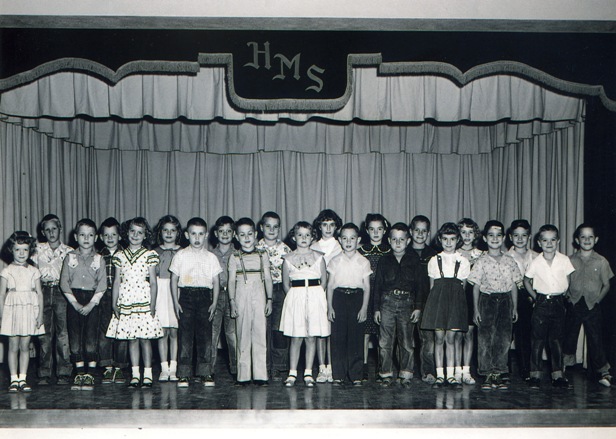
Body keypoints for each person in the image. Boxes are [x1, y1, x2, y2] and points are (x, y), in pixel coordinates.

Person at [106, 217, 163, 388]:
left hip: (143, 300)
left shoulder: (149, 255)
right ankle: (135, 374)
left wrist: (152, 304)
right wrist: (114, 304)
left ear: (146, 235)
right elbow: (117, 281)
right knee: (131, 339)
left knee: (145, 339)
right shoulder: (119, 256)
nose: (135, 235)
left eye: (140, 232)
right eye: (132, 231)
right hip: (127, 301)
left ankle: (147, 374)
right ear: (126, 233)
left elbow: (153, 282)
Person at [468, 220, 522, 390]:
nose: (495, 238)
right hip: (487, 300)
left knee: (503, 338)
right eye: (491, 235)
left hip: (506, 301)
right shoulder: (481, 261)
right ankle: (486, 373)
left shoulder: (510, 260)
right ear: (484, 238)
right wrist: (476, 309)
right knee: (485, 338)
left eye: (498, 235)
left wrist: (514, 307)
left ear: (504, 238)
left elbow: (514, 285)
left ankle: (499, 372)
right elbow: (475, 286)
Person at [169, 217, 221, 388]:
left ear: (206, 235)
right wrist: (176, 301)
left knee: (205, 337)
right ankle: (184, 373)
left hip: (205, 297)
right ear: (186, 235)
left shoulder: (211, 257)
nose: (197, 238)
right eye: (193, 234)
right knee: (185, 337)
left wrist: (214, 302)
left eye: (200, 234)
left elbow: (216, 281)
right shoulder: (181, 255)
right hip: (186, 297)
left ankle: (205, 372)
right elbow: (174, 279)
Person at [524, 224, 575, 389]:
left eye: (553, 240)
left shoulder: (564, 260)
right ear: (539, 243)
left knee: (556, 340)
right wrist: (535, 297)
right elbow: (526, 280)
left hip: (559, 302)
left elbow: (570, 279)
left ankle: (558, 375)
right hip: (542, 303)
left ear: (558, 241)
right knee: (537, 340)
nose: (549, 243)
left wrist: (566, 295)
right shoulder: (536, 262)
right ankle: (534, 375)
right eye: (545, 240)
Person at [279, 221, 329, 387]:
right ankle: (292, 372)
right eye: (300, 235)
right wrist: (296, 298)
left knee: (311, 336)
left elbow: (324, 281)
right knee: (296, 336)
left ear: (312, 237)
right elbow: (286, 285)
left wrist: (315, 296)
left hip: (315, 296)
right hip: (296, 297)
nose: (303, 238)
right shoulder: (288, 259)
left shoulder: (319, 257)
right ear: (294, 237)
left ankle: (308, 372)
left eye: (307, 235)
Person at [421, 222, 471, 389]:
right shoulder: (434, 261)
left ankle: (451, 376)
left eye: (452, 239)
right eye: (445, 239)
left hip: (455, 302)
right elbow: (431, 287)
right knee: (439, 338)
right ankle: (440, 375)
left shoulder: (463, 261)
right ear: (440, 240)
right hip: (438, 302)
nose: (449, 243)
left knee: (451, 338)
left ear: (458, 240)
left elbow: (462, 287)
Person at [563, 223, 614, 387]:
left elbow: (607, 285)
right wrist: (568, 297)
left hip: (592, 305)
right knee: (569, 336)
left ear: (596, 240)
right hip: (575, 303)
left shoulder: (601, 261)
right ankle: (562, 367)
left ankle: (603, 372)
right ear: (577, 240)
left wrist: (597, 300)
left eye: (590, 237)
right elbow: (565, 282)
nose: (586, 240)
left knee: (595, 339)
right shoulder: (569, 260)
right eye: (583, 237)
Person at [59, 218, 107, 390]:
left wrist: (90, 304)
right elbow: (64, 282)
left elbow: (102, 284)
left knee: (91, 336)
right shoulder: (70, 257)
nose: (86, 238)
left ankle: (90, 373)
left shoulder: (99, 259)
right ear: (75, 236)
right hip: (74, 299)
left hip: (92, 301)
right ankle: (79, 371)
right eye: (82, 235)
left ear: (96, 238)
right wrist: (74, 303)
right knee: (75, 335)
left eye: (90, 235)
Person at [373, 222, 422, 387]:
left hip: (407, 303)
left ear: (408, 241)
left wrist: (418, 307)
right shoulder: (384, 260)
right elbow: (377, 286)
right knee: (384, 341)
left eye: (402, 239)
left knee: (407, 341)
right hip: (386, 302)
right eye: (394, 239)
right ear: (389, 240)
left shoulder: (415, 260)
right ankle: (385, 373)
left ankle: (406, 373)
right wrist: (376, 309)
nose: (398, 243)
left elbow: (420, 286)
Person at [228, 218, 274, 386]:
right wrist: (232, 302)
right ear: (236, 236)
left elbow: (268, 278)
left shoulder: (263, 255)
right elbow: (231, 281)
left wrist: (269, 299)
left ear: (255, 234)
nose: (246, 238)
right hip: (241, 294)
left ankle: (261, 375)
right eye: (242, 234)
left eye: (249, 234)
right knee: (243, 334)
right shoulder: (234, 257)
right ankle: (243, 375)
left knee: (260, 333)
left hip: (260, 294)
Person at [327, 223, 372, 386]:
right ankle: (338, 374)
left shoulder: (363, 261)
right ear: (339, 240)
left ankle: (356, 375)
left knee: (356, 339)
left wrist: (364, 308)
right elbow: (330, 286)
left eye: (352, 238)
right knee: (338, 338)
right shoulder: (335, 261)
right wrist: (330, 307)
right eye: (344, 238)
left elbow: (367, 287)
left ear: (358, 239)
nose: (348, 241)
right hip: (338, 298)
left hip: (357, 299)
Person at [0, 231, 44, 392]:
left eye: (25, 250)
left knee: (25, 346)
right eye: (17, 249)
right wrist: (1, 315)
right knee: (13, 346)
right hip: (12, 312)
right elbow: (1, 294)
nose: (21, 253)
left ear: (30, 250)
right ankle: (13, 379)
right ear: (11, 250)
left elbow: (39, 293)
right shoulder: (7, 271)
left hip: (28, 311)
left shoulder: (34, 271)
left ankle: (23, 378)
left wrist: (39, 315)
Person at [32, 214, 73, 386]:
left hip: (61, 292)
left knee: (63, 334)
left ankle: (64, 372)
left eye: (54, 229)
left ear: (60, 229)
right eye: (47, 230)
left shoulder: (70, 251)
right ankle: (44, 373)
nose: (51, 233)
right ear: (43, 232)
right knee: (44, 334)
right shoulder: (37, 250)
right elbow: (33, 272)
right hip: (42, 290)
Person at [256, 211, 292, 382]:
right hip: (260, 291)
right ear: (261, 227)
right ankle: (263, 365)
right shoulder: (255, 248)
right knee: (262, 330)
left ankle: (278, 367)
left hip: (280, 291)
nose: (271, 230)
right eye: (268, 226)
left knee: (278, 329)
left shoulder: (286, 249)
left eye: (275, 227)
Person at [311, 209, 343, 383]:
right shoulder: (312, 247)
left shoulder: (341, 246)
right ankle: (321, 367)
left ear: (336, 227)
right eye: (325, 224)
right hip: (317, 292)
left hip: (336, 294)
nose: (328, 228)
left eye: (332, 225)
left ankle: (331, 366)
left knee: (331, 332)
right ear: (319, 226)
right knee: (319, 331)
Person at [357, 213, 390, 382]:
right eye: (372, 229)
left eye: (379, 229)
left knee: (382, 335)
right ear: (367, 231)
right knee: (365, 333)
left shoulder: (390, 250)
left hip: (384, 298)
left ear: (385, 230)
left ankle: (381, 368)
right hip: (365, 296)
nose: (376, 233)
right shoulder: (360, 251)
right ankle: (363, 367)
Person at [97, 217, 129, 384]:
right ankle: (107, 367)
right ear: (101, 237)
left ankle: (120, 366)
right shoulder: (98, 255)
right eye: (106, 235)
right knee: (104, 331)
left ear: (120, 236)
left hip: (122, 295)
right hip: (103, 296)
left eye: (114, 234)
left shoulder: (125, 255)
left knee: (121, 332)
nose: (110, 238)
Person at [506, 219, 538, 381]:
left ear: (529, 236)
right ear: (510, 237)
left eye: (523, 235)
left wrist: (535, 297)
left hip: (531, 298)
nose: (520, 239)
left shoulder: (537, 257)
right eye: (516, 235)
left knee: (526, 335)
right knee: (507, 334)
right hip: (511, 297)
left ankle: (526, 368)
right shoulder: (506, 256)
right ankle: (504, 369)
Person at [408, 215, 438, 384]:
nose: (420, 234)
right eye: (416, 230)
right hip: (406, 301)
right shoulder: (403, 252)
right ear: (411, 232)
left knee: (428, 339)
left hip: (427, 302)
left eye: (424, 231)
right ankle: (406, 370)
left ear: (428, 233)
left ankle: (428, 371)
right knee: (405, 339)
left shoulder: (434, 255)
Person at [153, 215, 183, 382]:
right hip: (160, 291)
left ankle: (174, 367)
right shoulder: (155, 252)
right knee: (162, 331)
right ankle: (164, 368)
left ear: (178, 233)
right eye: (165, 230)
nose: (169, 233)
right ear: (160, 232)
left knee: (175, 331)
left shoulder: (183, 252)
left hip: (177, 291)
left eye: (173, 230)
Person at [210, 216, 238, 380]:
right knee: (212, 335)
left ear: (234, 234)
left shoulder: (238, 253)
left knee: (232, 335)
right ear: (215, 233)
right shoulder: (209, 254)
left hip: (233, 296)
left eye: (228, 231)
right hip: (214, 296)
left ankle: (236, 370)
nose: (225, 234)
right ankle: (209, 370)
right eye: (221, 231)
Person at [457, 218, 483, 385]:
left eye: (470, 232)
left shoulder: (480, 255)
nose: (467, 236)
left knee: (469, 334)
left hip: (473, 297)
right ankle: (456, 369)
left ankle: (466, 370)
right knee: (456, 334)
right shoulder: (453, 252)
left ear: (476, 235)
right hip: (457, 296)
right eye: (463, 232)